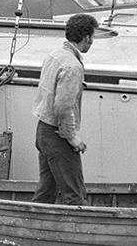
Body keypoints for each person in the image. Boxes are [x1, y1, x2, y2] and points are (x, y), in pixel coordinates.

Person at [31, 13, 98, 205]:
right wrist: (72, 137)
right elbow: (62, 107)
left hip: (43, 131)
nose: (92, 41)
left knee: (46, 191)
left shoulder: (54, 56)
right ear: (87, 37)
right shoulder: (73, 66)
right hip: (58, 136)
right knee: (74, 195)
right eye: (92, 37)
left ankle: (30, 227)